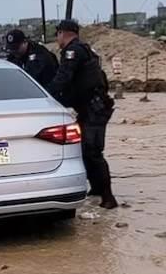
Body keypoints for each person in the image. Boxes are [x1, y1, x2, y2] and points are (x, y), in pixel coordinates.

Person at [47, 19, 118, 209]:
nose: (58, 39)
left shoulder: (73, 52)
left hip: (93, 109)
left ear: (63, 33)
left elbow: (63, 78)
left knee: (92, 152)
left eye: (58, 35)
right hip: (92, 107)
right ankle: (96, 189)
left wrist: (46, 95)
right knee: (86, 151)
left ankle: (108, 197)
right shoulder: (86, 50)